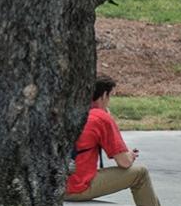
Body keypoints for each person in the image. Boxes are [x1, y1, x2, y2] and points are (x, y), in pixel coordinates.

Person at [65, 75, 160, 205]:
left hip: (54, 184)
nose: (109, 100)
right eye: (110, 96)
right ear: (104, 95)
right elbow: (124, 162)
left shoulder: (68, 111)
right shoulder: (100, 117)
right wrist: (131, 156)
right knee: (140, 173)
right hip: (76, 187)